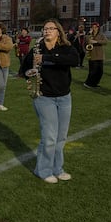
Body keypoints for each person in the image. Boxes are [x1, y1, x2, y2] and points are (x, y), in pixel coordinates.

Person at [23, 19, 80, 184]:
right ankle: (43, 170)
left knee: (61, 137)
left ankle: (57, 169)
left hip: (64, 97)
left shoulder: (66, 47)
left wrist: (48, 57)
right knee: (49, 137)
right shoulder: (36, 48)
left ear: (58, 31)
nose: (47, 31)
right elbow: (24, 68)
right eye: (45, 28)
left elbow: (74, 61)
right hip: (43, 97)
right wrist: (29, 72)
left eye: (51, 28)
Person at [83, 22, 108, 89]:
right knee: (93, 71)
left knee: (100, 71)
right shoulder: (88, 35)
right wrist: (89, 35)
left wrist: (96, 41)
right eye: (93, 27)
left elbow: (105, 41)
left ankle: (95, 83)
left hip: (100, 55)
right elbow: (85, 43)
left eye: (96, 27)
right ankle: (88, 83)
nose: (95, 29)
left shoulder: (101, 34)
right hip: (92, 55)